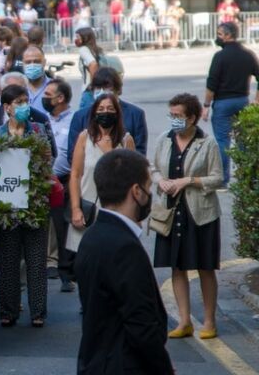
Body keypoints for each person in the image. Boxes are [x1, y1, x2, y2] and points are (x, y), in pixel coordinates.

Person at [76, 149, 174, 375]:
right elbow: (141, 325)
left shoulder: (91, 237)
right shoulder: (125, 248)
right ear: (136, 191)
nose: (150, 194)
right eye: (149, 187)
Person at [152, 93, 224, 340]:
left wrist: (189, 181)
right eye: (171, 115)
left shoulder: (208, 143)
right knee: (177, 266)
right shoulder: (164, 140)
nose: (173, 120)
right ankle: (184, 321)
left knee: (205, 266)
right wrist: (160, 180)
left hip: (200, 213)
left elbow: (217, 178)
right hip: (171, 211)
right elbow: (152, 169)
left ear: (192, 118)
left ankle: (209, 320)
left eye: (178, 116)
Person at [0, 84, 53, 327]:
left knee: (36, 260)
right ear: (7, 107)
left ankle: (38, 311)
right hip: (6, 206)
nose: (24, 105)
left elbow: (49, 160)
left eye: (26, 100)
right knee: (7, 260)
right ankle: (8, 310)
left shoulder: (37, 130)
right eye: (18, 102)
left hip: (35, 205)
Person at [67, 93, 135, 254]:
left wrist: (133, 213)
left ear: (117, 113)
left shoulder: (126, 140)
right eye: (101, 109)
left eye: (110, 109)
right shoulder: (84, 138)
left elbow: (133, 178)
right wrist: (76, 209)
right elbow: (75, 175)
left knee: (114, 258)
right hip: (88, 210)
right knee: (87, 261)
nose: (105, 112)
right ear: (94, 113)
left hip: (117, 211)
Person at [202, 21, 259, 186]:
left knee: (222, 141)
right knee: (242, 142)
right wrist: (256, 100)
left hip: (223, 103)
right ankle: (245, 178)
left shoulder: (220, 57)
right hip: (243, 102)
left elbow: (211, 84)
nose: (217, 37)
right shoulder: (248, 54)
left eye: (219, 34)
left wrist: (206, 106)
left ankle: (222, 180)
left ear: (228, 35)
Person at [65, 67, 148, 164]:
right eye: (98, 88)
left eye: (107, 88)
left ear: (118, 90)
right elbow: (73, 155)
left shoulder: (135, 114)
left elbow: (139, 154)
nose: (102, 92)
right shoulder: (81, 116)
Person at [43, 78, 76, 292]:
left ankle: (68, 274)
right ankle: (51, 265)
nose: (45, 99)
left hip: (67, 180)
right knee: (52, 225)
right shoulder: (43, 120)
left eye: (48, 95)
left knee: (67, 226)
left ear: (60, 98)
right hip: (46, 182)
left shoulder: (75, 119)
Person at [22, 46, 50, 114]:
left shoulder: (55, 88)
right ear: (23, 64)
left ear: (44, 62)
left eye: (36, 61)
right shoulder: (16, 88)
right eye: (28, 62)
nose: (32, 65)